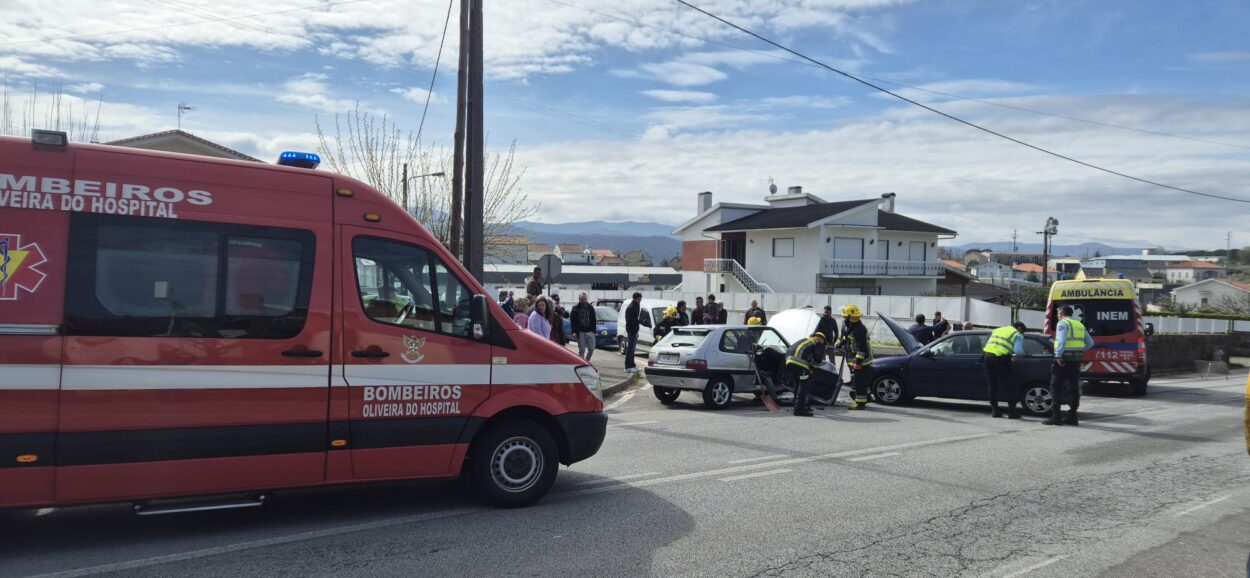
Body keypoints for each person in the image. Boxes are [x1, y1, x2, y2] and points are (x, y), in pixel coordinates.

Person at [1047, 306, 1093, 426]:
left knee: (1055, 387)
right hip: (1076, 360)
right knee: (1074, 387)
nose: (1057, 315)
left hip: (1064, 360)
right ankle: (1073, 415)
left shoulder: (1063, 323)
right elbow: (1090, 343)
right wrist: (1079, 350)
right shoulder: (1079, 324)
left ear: (1061, 313)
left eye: (1058, 313)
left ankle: (1056, 416)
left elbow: (1061, 342)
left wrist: (1058, 356)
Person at [983, 321, 1027, 419]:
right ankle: (1012, 412)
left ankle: (995, 410)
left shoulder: (998, 330)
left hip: (987, 357)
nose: (1022, 334)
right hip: (1001, 359)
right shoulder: (1017, 334)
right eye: (1023, 332)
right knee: (1011, 386)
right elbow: (1018, 351)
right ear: (1019, 328)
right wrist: (1024, 354)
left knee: (992, 384)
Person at [837, 304, 874, 410]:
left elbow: (861, 348)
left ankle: (860, 403)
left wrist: (858, 363)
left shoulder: (859, 328)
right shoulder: (846, 324)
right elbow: (845, 337)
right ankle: (867, 396)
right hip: (851, 357)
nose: (843, 317)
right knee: (859, 379)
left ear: (849, 316)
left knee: (859, 381)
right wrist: (841, 343)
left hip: (862, 360)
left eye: (845, 315)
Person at [786, 332, 828, 417]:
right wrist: (812, 368)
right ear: (822, 339)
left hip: (789, 362)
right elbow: (818, 359)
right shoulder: (818, 342)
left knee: (797, 384)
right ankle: (799, 410)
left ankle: (799, 406)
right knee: (803, 385)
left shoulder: (805, 341)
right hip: (800, 364)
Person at [570, 293, 597, 360]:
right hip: (580, 332)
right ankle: (582, 364)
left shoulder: (590, 307)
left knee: (591, 348)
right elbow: (572, 321)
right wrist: (574, 332)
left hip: (590, 331)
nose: (583, 301)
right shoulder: (575, 308)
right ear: (579, 299)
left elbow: (594, 319)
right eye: (582, 299)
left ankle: (587, 361)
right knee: (582, 350)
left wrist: (593, 330)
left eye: (585, 299)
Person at [623, 292, 642, 373]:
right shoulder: (631, 307)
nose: (639, 300)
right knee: (630, 349)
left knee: (633, 349)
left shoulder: (636, 305)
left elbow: (636, 320)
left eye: (640, 299)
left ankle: (632, 365)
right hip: (631, 330)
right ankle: (628, 366)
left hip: (634, 330)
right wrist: (635, 332)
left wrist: (637, 330)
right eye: (638, 299)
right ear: (634, 298)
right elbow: (630, 321)